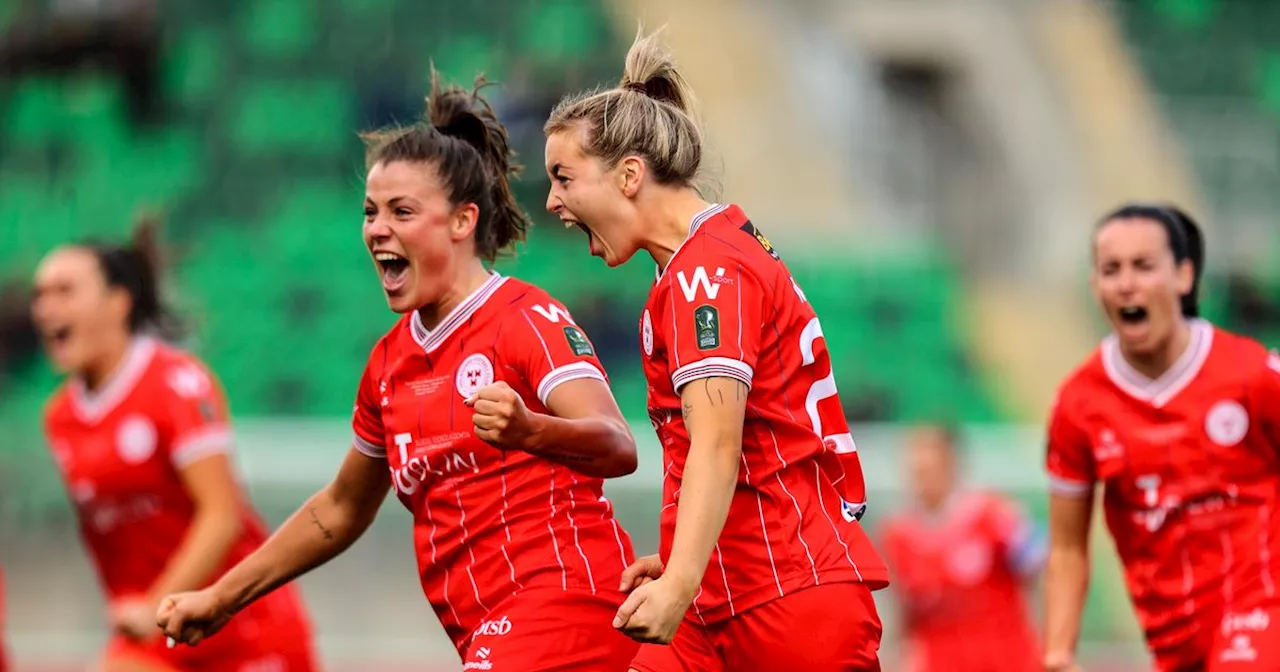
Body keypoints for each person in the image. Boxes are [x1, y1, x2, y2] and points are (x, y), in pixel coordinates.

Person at [157, 75, 643, 672]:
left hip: (569, 606)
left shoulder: (524, 318)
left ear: (463, 222)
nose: (377, 228)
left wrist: (529, 430)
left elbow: (619, 445)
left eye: (401, 211)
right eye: (370, 212)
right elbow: (339, 509)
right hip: (486, 631)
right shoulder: (389, 364)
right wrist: (221, 597)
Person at [542, 29, 889, 672]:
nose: (552, 201)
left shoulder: (709, 275)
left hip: (788, 596)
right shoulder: (711, 257)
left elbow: (719, 442)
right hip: (720, 598)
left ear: (628, 175)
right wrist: (683, 557)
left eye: (564, 178)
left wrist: (677, 581)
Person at [31, 216, 318, 672]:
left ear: (118, 301)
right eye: (39, 295)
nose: (45, 308)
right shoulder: (60, 418)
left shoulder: (176, 384)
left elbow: (220, 516)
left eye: (64, 291)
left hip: (243, 631)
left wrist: (155, 604)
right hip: (157, 641)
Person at [1043, 204, 1280, 672]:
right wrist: (1058, 651)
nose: (1127, 283)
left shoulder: (1253, 376)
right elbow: (1069, 547)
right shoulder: (1078, 405)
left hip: (1259, 607)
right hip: (1170, 638)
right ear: (1096, 287)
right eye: (1112, 269)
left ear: (1183, 276)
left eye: (1144, 266)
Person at [879, 424, 1044, 672]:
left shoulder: (995, 516)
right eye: (916, 472)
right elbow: (902, 614)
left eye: (930, 470)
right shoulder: (897, 537)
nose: (922, 480)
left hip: (1007, 660)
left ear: (952, 465)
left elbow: (1046, 569)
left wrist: (1051, 643)